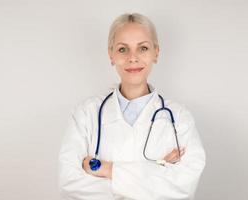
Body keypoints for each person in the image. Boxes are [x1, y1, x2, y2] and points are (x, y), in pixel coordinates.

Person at [58, 13, 206, 200]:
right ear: (110, 54)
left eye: (143, 48)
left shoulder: (180, 118)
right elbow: (70, 184)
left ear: (156, 53)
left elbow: (183, 187)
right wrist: (157, 172)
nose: (132, 58)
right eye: (122, 50)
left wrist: (107, 169)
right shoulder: (86, 114)